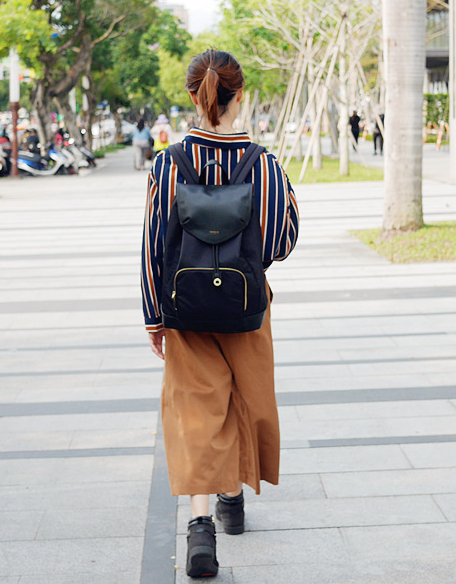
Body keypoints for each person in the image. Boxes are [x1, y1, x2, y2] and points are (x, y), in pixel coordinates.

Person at [141, 50, 299, 578]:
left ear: (193, 96)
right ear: (241, 95)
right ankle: (234, 498)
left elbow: (152, 245)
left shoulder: (167, 163)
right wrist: (241, 260)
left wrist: (153, 314)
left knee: (194, 410)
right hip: (246, 306)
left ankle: (201, 526)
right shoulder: (264, 163)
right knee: (243, 400)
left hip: (183, 308)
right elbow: (282, 237)